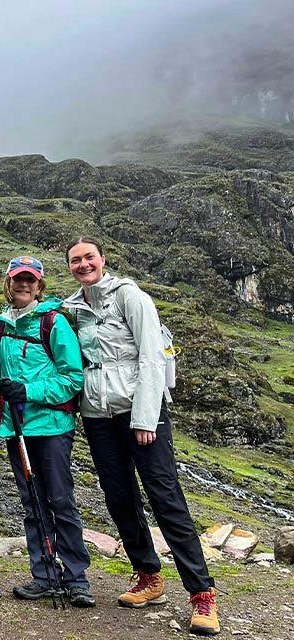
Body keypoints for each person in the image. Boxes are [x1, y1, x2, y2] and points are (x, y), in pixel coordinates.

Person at [63, 238, 219, 635]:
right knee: (119, 497)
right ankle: (148, 575)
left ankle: (202, 593)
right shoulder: (73, 309)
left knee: (164, 496)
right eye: (75, 261)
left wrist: (146, 417)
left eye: (89, 258)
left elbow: (152, 357)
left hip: (140, 412)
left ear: (103, 259)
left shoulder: (131, 297)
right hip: (98, 415)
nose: (83, 265)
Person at [0, 256, 95, 607]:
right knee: (33, 504)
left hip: (52, 427)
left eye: (30, 280)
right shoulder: (0, 326)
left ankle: (77, 578)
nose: (23, 285)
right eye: (17, 280)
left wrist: (28, 391)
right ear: (8, 284)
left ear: (39, 286)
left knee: (61, 500)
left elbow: (72, 377)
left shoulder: (53, 323)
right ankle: (44, 576)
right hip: (16, 427)